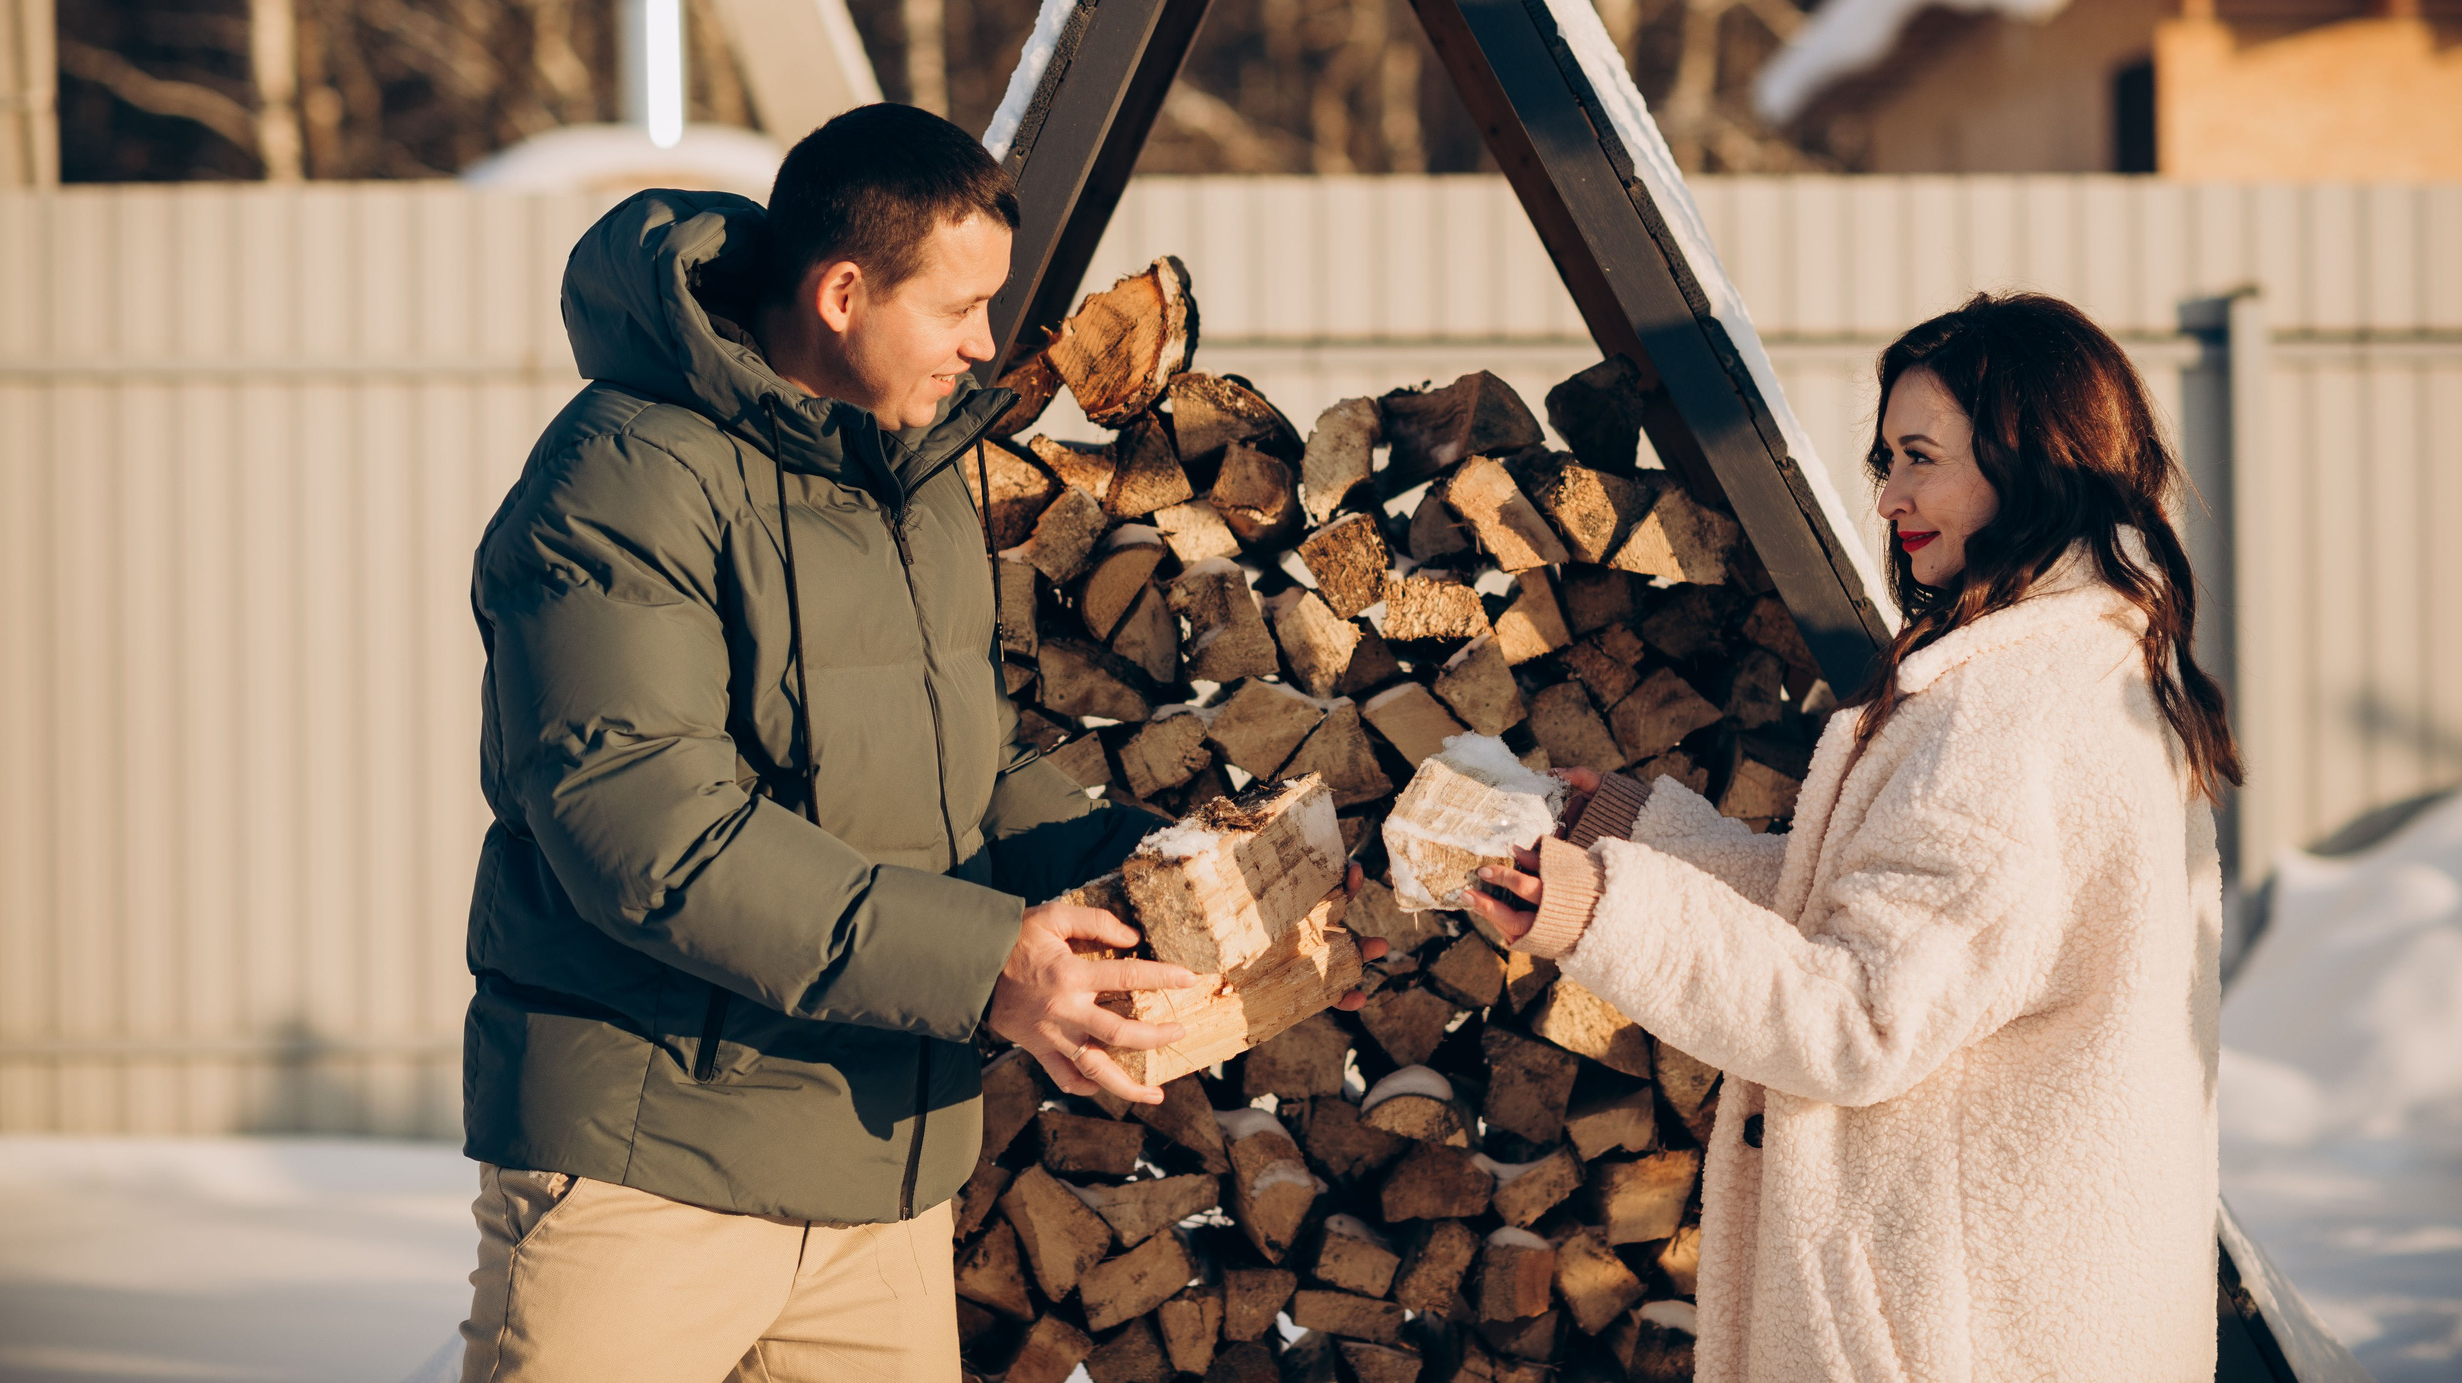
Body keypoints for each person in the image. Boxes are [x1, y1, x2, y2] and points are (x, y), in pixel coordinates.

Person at [455, 104, 1381, 1380]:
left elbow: (964, 778)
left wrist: (1179, 867)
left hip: (878, 1166)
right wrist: (984, 962)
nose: (984, 345)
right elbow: (649, 830)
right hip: (650, 1168)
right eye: (958, 308)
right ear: (843, 291)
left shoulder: (912, 480)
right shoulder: (622, 482)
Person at [1466, 291, 2237, 1383]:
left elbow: (1863, 1011)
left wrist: (1600, 908)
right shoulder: (2091, 668)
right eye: (1885, 459)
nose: (1892, 496)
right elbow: (1916, 919)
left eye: (1921, 457)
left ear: (2029, 458)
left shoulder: (2009, 712)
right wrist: (1634, 832)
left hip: (1950, 1337)